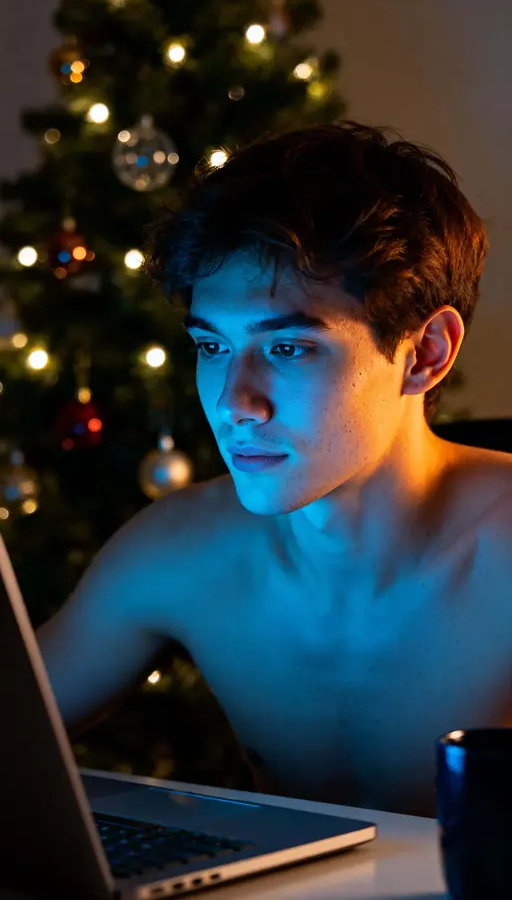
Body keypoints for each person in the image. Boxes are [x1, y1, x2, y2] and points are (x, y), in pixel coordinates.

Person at [37, 121, 512, 818]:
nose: (235, 403)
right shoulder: (177, 549)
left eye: (288, 349)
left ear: (426, 352)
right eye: (212, 344)